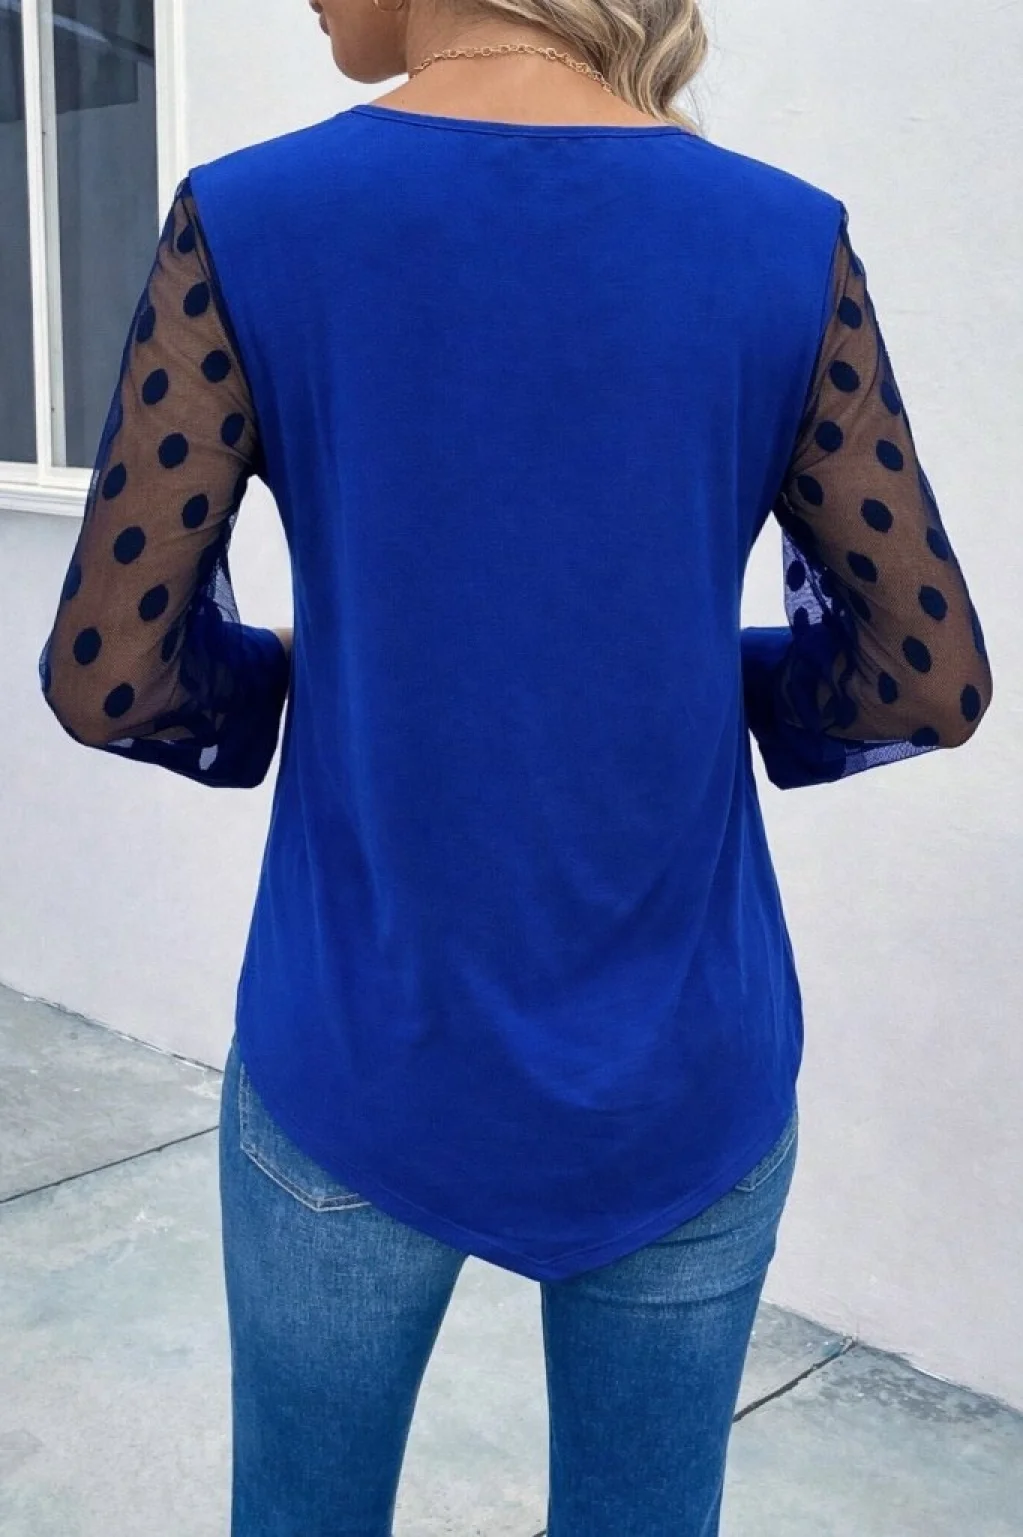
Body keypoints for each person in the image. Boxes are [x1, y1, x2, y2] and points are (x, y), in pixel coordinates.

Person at [38, 0, 992, 1531]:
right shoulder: (782, 241)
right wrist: (693, 687)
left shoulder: (251, 220)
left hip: (359, 1047)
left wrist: (310, 683)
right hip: (683, 1071)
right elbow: (925, 675)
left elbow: (110, 672)